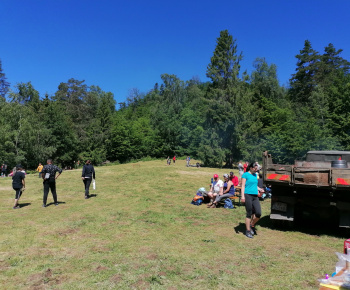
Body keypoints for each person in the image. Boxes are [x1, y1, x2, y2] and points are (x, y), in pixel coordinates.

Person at [241, 162, 261, 239]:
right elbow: (243, 186)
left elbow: (255, 185)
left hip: (255, 196)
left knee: (258, 213)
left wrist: (260, 189)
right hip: (247, 195)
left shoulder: (255, 175)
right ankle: (248, 231)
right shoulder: (245, 174)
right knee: (249, 213)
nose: (256, 170)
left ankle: (251, 224)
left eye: (256, 168)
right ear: (251, 168)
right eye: (255, 168)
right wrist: (243, 196)